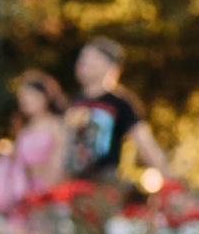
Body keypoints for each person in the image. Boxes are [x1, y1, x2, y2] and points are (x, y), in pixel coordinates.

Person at [70, 38, 168, 189]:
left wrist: (167, 180)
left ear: (109, 65)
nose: (83, 63)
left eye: (91, 58)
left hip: (104, 182)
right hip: (73, 180)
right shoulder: (76, 101)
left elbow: (145, 143)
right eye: (82, 58)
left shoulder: (120, 102)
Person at [0, 74, 73, 224]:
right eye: (22, 96)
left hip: (47, 194)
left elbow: (60, 164)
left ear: (45, 96)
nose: (25, 100)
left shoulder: (56, 127)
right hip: (23, 196)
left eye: (30, 95)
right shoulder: (24, 131)